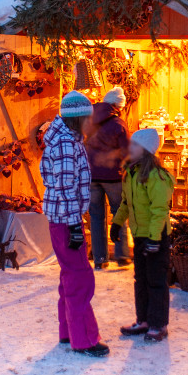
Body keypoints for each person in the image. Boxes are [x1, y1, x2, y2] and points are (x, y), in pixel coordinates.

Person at [39, 91, 109, 358]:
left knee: (70, 276)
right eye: (88, 117)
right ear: (78, 118)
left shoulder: (66, 140)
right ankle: (84, 339)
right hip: (66, 221)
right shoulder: (67, 145)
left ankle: (69, 331)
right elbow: (67, 187)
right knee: (80, 278)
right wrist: (76, 227)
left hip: (62, 219)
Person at [112, 128, 175, 343]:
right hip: (139, 236)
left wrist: (154, 238)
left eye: (135, 145)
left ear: (146, 150)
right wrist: (116, 223)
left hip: (156, 237)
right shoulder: (130, 173)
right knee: (141, 280)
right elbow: (125, 203)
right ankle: (144, 320)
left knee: (156, 281)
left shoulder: (156, 177)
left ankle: (159, 324)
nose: (131, 147)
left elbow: (160, 210)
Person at [84, 87, 131, 269]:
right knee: (119, 213)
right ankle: (122, 255)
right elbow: (127, 151)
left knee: (96, 217)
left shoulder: (89, 119)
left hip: (91, 176)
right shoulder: (119, 124)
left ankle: (100, 259)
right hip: (113, 177)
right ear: (115, 105)